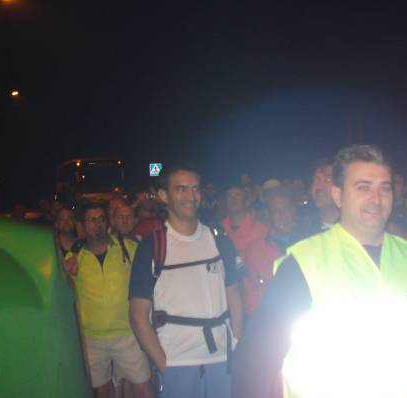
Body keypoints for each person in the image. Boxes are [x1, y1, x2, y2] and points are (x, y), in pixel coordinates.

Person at [232, 144, 407, 398]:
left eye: (385, 188)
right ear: (338, 195)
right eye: (363, 187)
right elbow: (255, 362)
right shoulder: (305, 262)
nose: (376, 198)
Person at [129, 162, 244, 398]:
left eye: (195, 189)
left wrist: (237, 343)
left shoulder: (219, 241)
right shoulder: (152, 247)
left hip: (222, 359)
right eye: (181, 189)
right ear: (164, 196)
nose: (191, 196)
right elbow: (137, 314)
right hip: (177, 363)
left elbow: (234, 296)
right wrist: (163, 364)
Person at [64, 202, 153, 398]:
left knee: (143, 388)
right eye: (91, 220)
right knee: (102, 391)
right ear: (82, 225)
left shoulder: (128, 248)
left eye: (101, 219)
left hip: (127, 334)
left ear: (108, 222)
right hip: (91, 338)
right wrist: (67, 273)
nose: (97, 224)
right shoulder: (73, 258)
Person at [243, 186, 299, 316]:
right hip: (273, 320)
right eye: (275, 210)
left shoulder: (309, 243)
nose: (282, 215)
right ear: (267, 215)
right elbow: (252, 296)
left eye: (286, 208)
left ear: (293, 210)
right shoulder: (255, 251)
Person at [297, 159, 340, 239]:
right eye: (316, 179)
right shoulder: (303, 230)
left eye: (328, 179)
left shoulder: (355, 227)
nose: (319, 186)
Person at [221, 185, 268, 254]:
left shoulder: (259, 228)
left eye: (237, 195)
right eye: (229, 196)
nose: (232, 198)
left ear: (247, 202)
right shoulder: (220, 228)